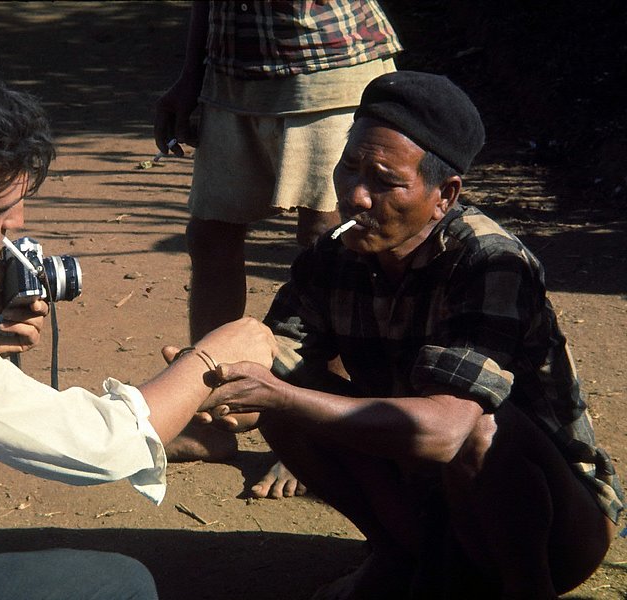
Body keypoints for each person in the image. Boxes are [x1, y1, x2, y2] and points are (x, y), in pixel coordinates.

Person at [0, 57, 277, 600]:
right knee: (117, 585)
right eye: (0, 211)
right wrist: (207, 359)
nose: (15, 224)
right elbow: (97, 449)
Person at [198, 70, 625, 597]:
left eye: (384, 179)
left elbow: (448, 431)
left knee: (480, 429)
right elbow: (278, 356)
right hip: (425, 494)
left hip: (557, 527)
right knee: (275, 376)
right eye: (349, 167)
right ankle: (402, 555)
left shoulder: (491, 262)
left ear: (444, 195)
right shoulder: (334, 255)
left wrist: (282, 396)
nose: (355, 196)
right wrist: (229, 389)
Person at [154, 0, 402, 498]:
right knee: (211, 234)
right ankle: (211, 414)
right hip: (232, 72)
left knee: (331, 243)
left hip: (329, 65)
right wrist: (192, 74)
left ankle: (320, 429)